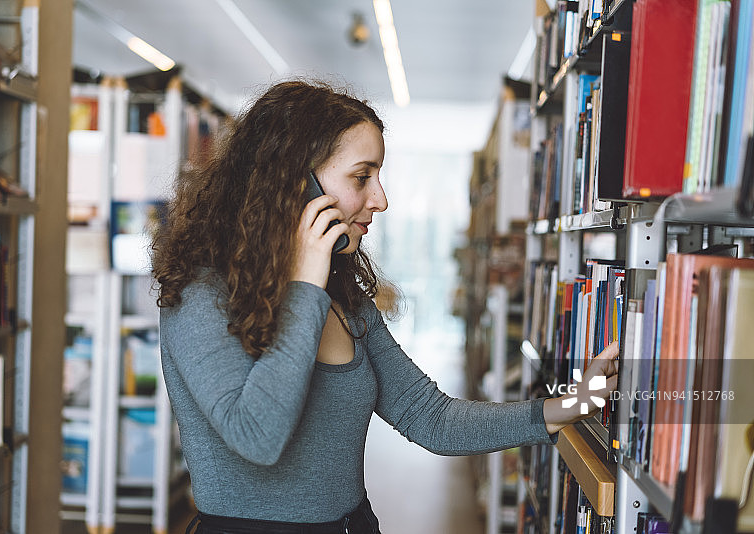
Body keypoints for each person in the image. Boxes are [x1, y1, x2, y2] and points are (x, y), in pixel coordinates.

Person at [151, 79, 619, 534]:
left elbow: (430, 417)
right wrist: (306, 288)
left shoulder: (344, 303)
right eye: (361, 177)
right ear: (297, 185)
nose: (381, 199)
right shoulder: (199, 296)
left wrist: (569, 406)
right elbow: (257, 437)